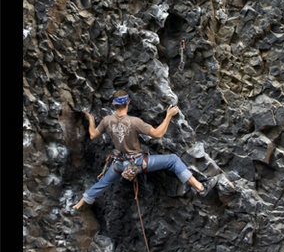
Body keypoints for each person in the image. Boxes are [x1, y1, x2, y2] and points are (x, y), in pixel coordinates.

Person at [73, 90, 207, 210]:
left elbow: (93, 135)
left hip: (119, 164)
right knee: (173, 160)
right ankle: (198, 186)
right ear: (128, 103)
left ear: (113, 105)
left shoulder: (106, 121)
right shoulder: (134, 121)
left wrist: (91, 119)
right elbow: (158, 134)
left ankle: (80, 203)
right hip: (137, 163)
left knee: (103, 182)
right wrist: (169, 116)